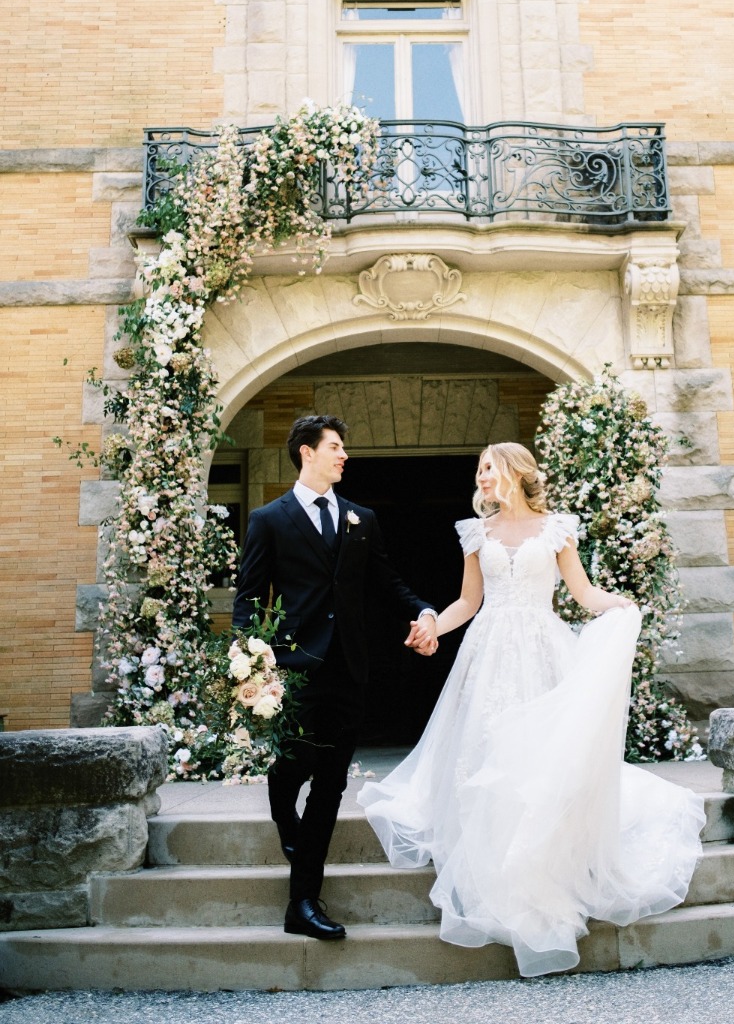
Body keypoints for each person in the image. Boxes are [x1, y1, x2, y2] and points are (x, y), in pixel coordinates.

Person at [359, 442, 706, 977]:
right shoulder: (476, 534)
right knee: (489, 756)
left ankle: (546, 860)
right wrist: (433, 625)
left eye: (488, 467)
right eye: (477, 471)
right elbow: (467, 602)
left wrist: (620, 607)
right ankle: (497, 860)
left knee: (545, 758)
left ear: (515, 472)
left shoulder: (557, 529)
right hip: (489, 650)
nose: (481, 477)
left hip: (544, 648)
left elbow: (584, 594)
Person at [231, 414, 437, 941]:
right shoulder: (268, 520)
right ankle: (281, 799)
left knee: (331, 784)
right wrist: (250, 664)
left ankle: (302, 903)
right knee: (296, 765)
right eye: (336, 447)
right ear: (306, 452)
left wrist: (425, 612)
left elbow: (386, 581)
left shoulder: (360, 518)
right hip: (294, 671)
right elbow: (250, 599)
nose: (345, 456)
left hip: (350, 668)